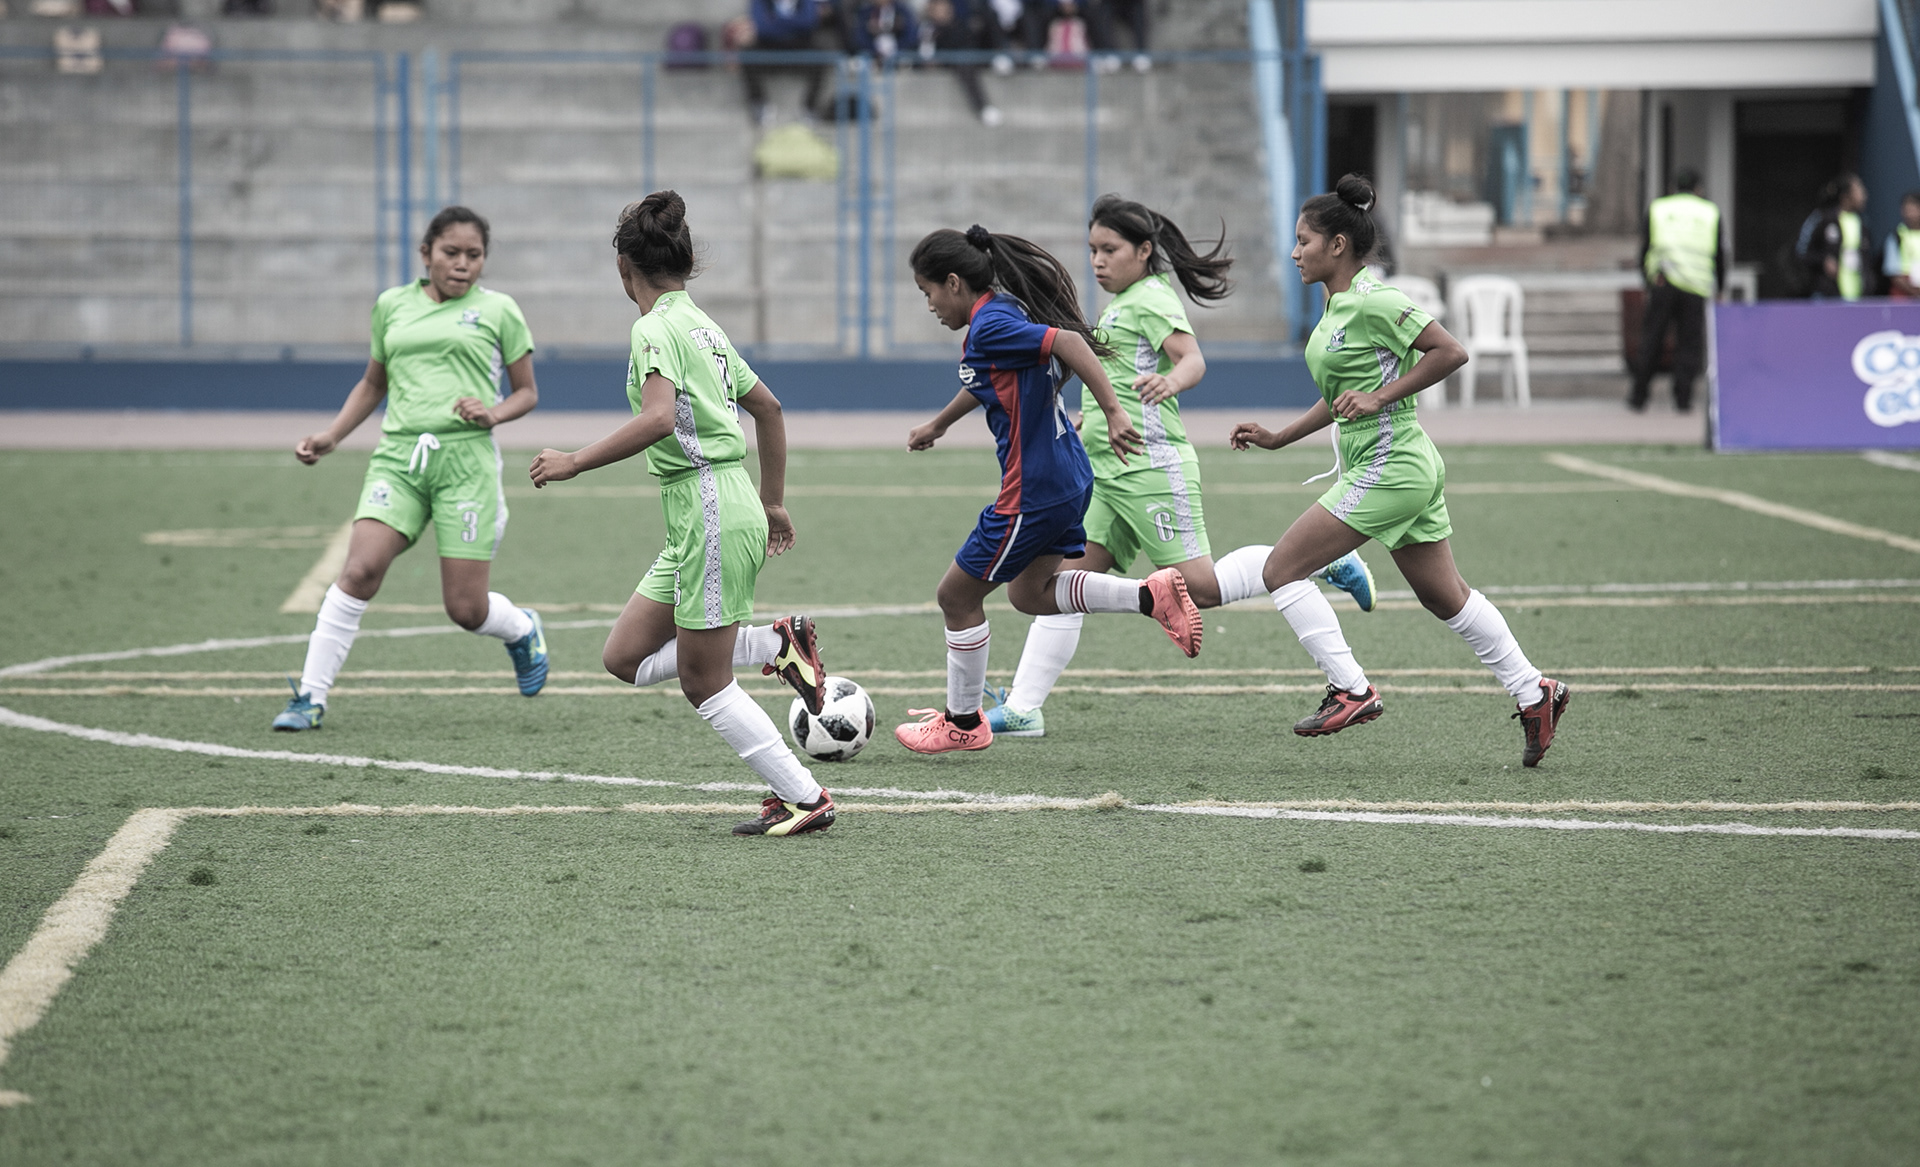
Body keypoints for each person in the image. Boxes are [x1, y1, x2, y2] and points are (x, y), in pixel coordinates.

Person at [985, 194, 1377, 738]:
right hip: (1104, 472)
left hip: (1151, 467)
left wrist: (1171, 381)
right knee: (1061, 584)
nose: (1098, 261)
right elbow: (1117, 381)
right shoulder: (1120, 304)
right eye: (1093, 250)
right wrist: (1088, 418)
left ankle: (1317, 562)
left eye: (1110, 249)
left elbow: (1192, 359)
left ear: (1144, 251)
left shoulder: (1150, 297)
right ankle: (1025, 707)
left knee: (1202, 590)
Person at [1228, 174, 1570, 768]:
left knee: (1281, 570)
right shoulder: (1336, 306)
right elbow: (1342, 397)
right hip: (1393, 463)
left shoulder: (1375, 299)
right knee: (1445, 597)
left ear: (1338, 245)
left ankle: (1351, 690)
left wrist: (1381, 397)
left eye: (1304, 241)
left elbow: (1450, 351)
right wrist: (1279, 438)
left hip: (1394, 463)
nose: (1294, 252)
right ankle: (1534, 691)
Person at [527, 192, 836, 838]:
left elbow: (659, 418)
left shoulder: (652, 329)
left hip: (709, 507)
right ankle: (777, 644)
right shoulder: (703, 326)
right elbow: (770, 408)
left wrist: (574, 461)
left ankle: (804, 797)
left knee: (703, 681)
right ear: (686, 261)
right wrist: (772, 500)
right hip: (710, 509)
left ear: (623, 268)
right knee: (625, 658)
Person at [893, 224, 1204, 755]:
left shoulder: (989, 325)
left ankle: (962, 723)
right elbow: (986, 378)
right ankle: (1148, 595)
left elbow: (1068, 342)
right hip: (1068, 477)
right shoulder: (1005, 310)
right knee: (1029, 594)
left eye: (928, 292)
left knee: (956, 597)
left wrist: (1113, 410)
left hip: (1032, 489)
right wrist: (939, 424)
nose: (930, 306)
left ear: (954, 282)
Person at [273, 207, 548, 732]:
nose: (462, 264)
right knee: (359, 571)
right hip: (399, 460)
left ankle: (520, 629)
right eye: (451, 252)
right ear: (426, 254)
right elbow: (373, 383)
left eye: (474, 255)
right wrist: (333, 435)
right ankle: (310, 696)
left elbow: (527, 393)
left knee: (465, 609)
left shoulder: (499, 310)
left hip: (466, 466)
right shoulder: (391, 305)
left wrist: (492, 413)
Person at [1629, 167, 1722, 413]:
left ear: (1673, 188)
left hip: (1664, 281)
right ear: (1698, 189)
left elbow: (1645, 248)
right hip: (1696, 285)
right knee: (1688, 344)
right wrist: (1720, 286)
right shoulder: (1709, 212)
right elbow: (1719, 253)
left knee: (1652, 339)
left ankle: (1638, 396)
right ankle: (1682, 399)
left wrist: (1647, 280)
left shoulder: (1659, 208)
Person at [741, 0, 833, 126]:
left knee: (821, 53)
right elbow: (761, 27)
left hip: (799, 46)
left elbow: (809, 22)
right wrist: (793, 24)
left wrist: (775, 21)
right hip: (769, 46)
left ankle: (809, 107)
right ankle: (759, 103)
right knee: (748, 54)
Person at [1799, 173, 1869, 301]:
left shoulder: (1862, 223)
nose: (1864, 195)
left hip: (1857, 296)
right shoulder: (1822, 218)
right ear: (1845, 196)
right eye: (1859, 190)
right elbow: (1802, 251)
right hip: (1827, 296)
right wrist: (1823, 260)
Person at [1882, 191, 1920, 299]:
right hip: (1903, 297)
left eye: (1912, 210)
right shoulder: (1896, 236)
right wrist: (1915, 292)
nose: (1909, 214)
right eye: (1906, 210)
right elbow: (1892, 272)